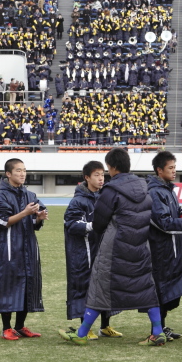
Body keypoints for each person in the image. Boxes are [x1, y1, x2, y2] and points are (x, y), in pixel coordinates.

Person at [59, 148, 166, 346]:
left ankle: (82, 333)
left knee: (99, 287)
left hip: (114, 248)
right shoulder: (144, 186)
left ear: (112, 167)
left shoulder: (111, 190)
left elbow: (99, 223)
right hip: (140, 247)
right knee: (147, 289)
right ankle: (158, 332)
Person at [0, 158, 47, 340]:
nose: (22, 174)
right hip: (7, 249)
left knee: (28, 284)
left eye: (24, 170)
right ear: (8, 174)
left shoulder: (30, 195)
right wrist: (25, 213)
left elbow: (34, 222)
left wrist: (39, 217)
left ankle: (20, 326)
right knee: (7, 286)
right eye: (18, 170)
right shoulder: (0, 198)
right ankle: (6, 327)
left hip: (28, 247)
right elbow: (4, 221)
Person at [62, 160, 121, 340]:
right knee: (84, 287)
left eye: (103, 174)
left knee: (106, 286)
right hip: (84, 253)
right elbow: (71, 224)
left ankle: (105, 326)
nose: (101, 178)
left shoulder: (106, 197)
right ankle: (85, 327)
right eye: (97, 175)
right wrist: (92, 226)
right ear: (87, 178)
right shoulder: (78, 201)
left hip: (105, 251)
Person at [146, 151, 182, 341]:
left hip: (172, 249)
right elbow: (163, 222)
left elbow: (171, 215)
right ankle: (156, 331)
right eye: (170, 168)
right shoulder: (154, 192)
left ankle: (161, 327)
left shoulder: (167, 189)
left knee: (170, 291)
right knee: (160, 291)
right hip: (161, 251)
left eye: (175, 167)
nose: (174, 171)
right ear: (159, 170)